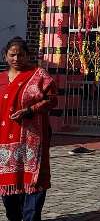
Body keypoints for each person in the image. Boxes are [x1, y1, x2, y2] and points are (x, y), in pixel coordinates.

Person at [0, 38, 57, 221]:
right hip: (5, 142)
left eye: (21, 54)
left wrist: (30, 110)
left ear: (28, 56)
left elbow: (52, 99)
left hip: (33, 140)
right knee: (9, 189)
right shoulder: (1, 79)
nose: (16, 58)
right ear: (5, 56)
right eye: (12, 55)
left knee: (33, 182)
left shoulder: (39, 75)